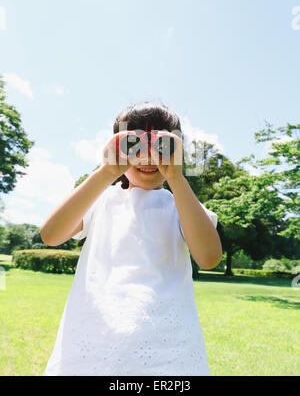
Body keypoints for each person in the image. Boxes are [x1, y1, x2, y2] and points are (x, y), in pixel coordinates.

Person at [40, 101, 222, 376]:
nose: (148, 157)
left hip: (168, 350)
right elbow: (51, 234)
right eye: (134, 144)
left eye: (162, 145)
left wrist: (176, 176)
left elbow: (208, 258)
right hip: (95, 340)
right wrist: (107, 172)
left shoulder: (183, 207)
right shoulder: (101, 200)